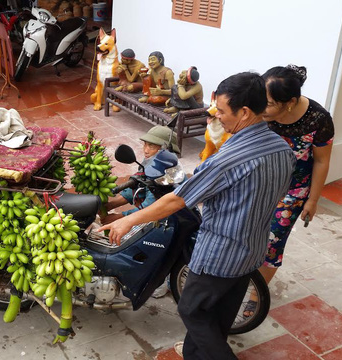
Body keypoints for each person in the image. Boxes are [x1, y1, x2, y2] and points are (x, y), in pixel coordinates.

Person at [98, 72, 296, 359]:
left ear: (244, 112)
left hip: (221, 253)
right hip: (252, 248)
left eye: (222, 111)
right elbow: (274, 194)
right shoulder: (281, 148)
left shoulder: (228, 159)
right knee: (222, 310)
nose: (216, 115)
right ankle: (194, 353)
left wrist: (127, 219)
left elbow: (176, 201)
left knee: (192, 310)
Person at [243, 65, 334, 317]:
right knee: (246, 230)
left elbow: (321, 161)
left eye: (269, 103)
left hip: (292, 192)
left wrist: (312, 201)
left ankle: (256, 293)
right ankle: (238, 276)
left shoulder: (318, 119)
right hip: (259, 182)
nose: (262, 108)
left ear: (290, 102)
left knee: (272, 242)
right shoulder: (260, 111)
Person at [102, 125, 180, 225]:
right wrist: (110, 205)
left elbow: (151, 206)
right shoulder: (150, 162)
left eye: (151, 146)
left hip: (167, 219)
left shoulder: (168, 172)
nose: (146, 150)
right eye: (145, 144)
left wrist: (120, 217)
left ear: (166, 150)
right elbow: (140, 187)